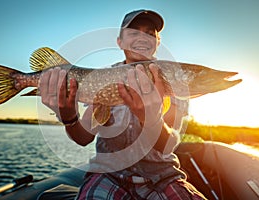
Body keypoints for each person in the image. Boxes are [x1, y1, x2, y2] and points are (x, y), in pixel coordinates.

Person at [39, 9, 206, 200]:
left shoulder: (171, 79)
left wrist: (151, 119)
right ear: (120, 42)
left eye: (150, 34)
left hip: (161, 176)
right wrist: (68, 116)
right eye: (134, 32)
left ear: (157, 42)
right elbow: (83, 137)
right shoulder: (101, 78)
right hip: (108, 174)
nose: (142, 37)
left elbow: (168, 144)